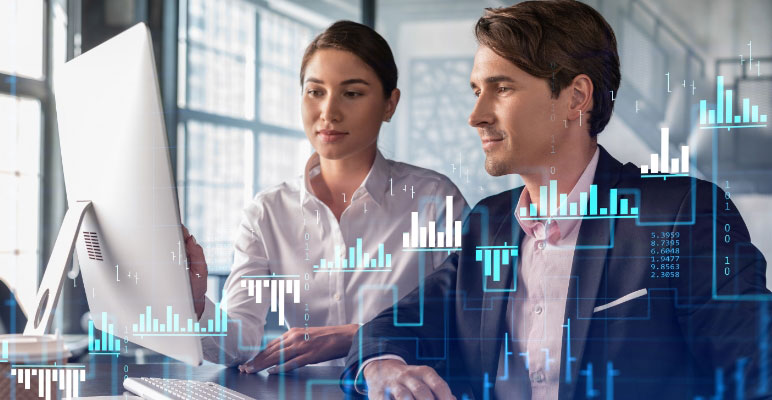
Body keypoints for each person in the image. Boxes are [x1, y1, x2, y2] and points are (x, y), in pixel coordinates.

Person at [342, 1, 771, 399]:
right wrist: (383, 366)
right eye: (477, 91)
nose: (476, 116)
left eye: (502, 88)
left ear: (576, 97)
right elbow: (391, 327)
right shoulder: (487, 226)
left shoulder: (681, 216)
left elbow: (757, 370)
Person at [181, 20, 468, 373]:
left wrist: (358, 336)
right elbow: (238, 345)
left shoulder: (435, 201)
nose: (328, 113)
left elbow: (468, 326)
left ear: (389, 104)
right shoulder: (267, 213)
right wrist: (194, 302)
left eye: (352, 93)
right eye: (315, 91)